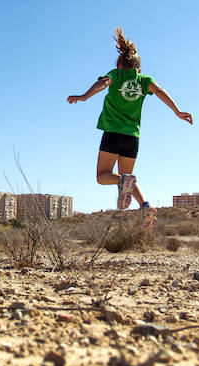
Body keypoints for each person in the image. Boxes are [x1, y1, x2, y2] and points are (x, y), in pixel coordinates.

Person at [67, 27, 192, 228]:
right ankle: (146, 206)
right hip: (132, 138)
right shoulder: (144, 80)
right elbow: (159, 91)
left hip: (113, 134)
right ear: (138, 69)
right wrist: (177, 111)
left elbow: (103, 83)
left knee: (104, 177)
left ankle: (125, 190)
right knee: (127, 180)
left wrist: (84, 96)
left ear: (119, 65)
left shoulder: (115, 75)